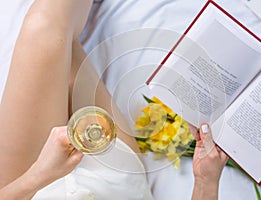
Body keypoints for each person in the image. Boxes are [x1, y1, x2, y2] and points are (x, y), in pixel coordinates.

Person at [0, 0, 227, 199]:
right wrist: (206, 181)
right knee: (59, 44)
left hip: (33, 187)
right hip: (117, 182)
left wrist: (42, 173)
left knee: (44, 31)